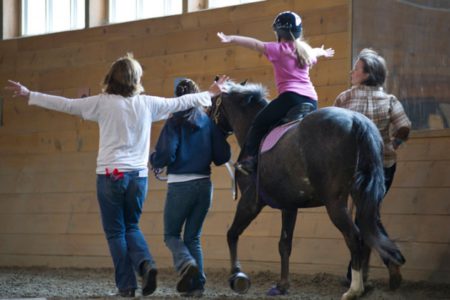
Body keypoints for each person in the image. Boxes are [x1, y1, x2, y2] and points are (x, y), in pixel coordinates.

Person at [5, 54, 227, 297]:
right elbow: (182, 102)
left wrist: (30, 94)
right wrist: (211, 92)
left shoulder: (102, 103)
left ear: (112, 78)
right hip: (138, 178)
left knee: (115, 232)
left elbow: (67, 104)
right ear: (136, 79)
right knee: (131, 226)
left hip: (110, 175)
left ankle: (127, 284)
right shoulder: (148, 104)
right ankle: (145, 263)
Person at [217, 11, 334, 174]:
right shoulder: (305, 50)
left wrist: (232, 38)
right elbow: (315, 52)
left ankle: (249, 160)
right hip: (312, 100)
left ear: (279, 33)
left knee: (258, 124)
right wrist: (323, 52)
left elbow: (255, 44)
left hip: (290, 98)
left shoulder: (279, 49)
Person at [334, 48, 411, 289]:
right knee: (367, 217)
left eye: (356, 69)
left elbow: (331, 130)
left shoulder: (345, 98)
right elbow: (404, 127)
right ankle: (361, 272)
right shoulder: (390, 100)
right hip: (384, 167)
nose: (351, 72)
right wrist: (392, 145)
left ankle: (370, 268)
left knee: (365, 218)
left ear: (366, 75)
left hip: (355, 168)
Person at [150, 78, 231, 297]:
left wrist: (154, 159)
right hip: (205, 186)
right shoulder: (207, 121)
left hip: (180, 186)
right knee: (192, 237)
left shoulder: (174, 122)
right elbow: (223, 156)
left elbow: (167, 155)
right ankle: (197, 286)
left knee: (171, 235)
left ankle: (185, 263)